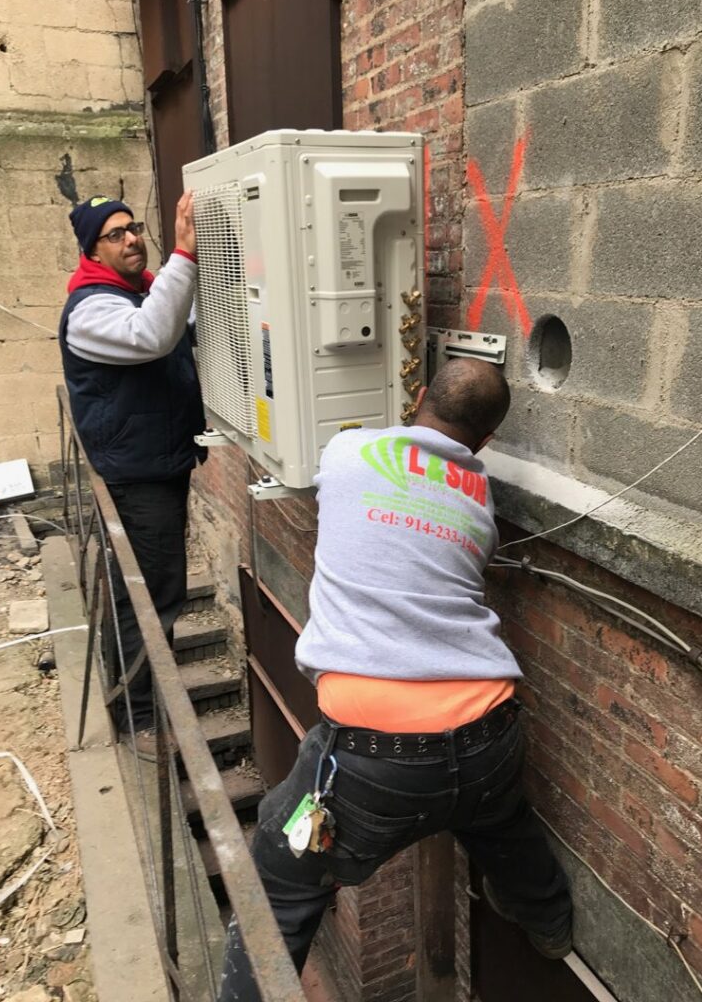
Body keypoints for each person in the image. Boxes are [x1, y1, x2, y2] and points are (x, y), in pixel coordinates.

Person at [218, 358, 572, 1000]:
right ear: (486, 441)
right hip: (491, 740)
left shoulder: (349, 451)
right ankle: (547, 923)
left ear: (417, 396)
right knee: (500, 825)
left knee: (279, 872)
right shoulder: (479, 494)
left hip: (370, 766)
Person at [59, 192, 206, 743]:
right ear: (92, 250)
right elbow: (153, 334)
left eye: (134, 227)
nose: (132, 239)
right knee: (151, 593)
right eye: (115, 235)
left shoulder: (137, 290)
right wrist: (185, 255)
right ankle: (141, 718)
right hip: (137, 472)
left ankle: (137, 698)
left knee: (143, 587)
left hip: (155, 460)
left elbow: (181, 316)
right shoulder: (92, 308)